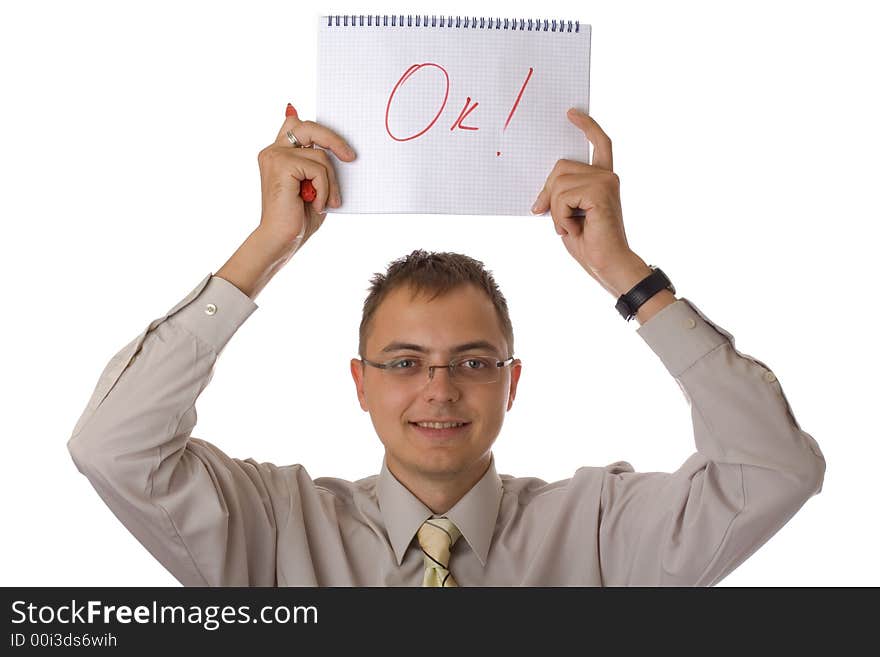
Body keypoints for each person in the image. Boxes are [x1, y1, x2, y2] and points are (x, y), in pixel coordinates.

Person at [67, 103, 825, 587]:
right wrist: (265, 247)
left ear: (511, 381)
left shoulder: (603, 531)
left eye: (472, 361)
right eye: (404, 363)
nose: (440, 388)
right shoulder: (271, 527)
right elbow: (113, 446)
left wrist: (625, 275)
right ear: (360, 383)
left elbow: (778, 468)